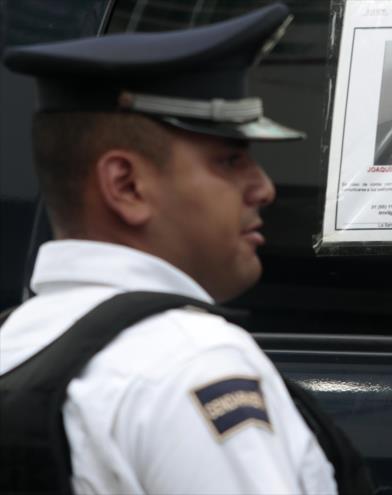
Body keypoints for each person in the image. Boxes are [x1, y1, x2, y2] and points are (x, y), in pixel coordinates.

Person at [0, 4, 338, 494]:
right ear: (127, 186)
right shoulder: (192, 362)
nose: (263, 188)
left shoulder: (17, 347)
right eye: (229, 160)